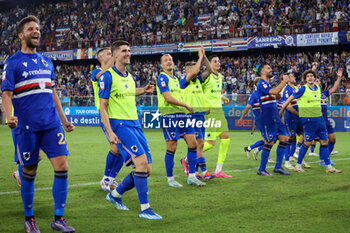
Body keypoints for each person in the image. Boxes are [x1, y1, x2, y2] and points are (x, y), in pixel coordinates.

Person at [1, 15, 75, 232]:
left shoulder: (46, 61)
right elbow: (6, 94)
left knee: (62, 167)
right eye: (31, 28)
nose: (37, 31)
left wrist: (64, 120)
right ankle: (29, 219)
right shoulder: (12, 62)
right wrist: (9, 115)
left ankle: (58, 219)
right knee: (29, 171)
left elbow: (53, 93)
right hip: (27, 127)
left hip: (52, 125)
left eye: (38, 28)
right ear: (21, 34)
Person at [99, 40, 162, 219]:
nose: (128, 53)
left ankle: (115, 194)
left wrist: (144, 90)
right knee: (141, 163)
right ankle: (145, 209)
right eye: (124, 51)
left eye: (129, 50)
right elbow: (103, 107)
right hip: (119, 124)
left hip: (135, 124)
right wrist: (110, 132)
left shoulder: (129, 76)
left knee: (147, 170)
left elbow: (128, 92)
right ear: (115, 55)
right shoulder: (107, 76)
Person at [156, 53, 205, 187]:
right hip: (170, 116)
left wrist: (200, 57)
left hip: (182, 116)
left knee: (193, 143)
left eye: (170, 59)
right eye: (165, 60)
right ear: (161, 65)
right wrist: (186, 105)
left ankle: (192, 176)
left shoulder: (177, 80)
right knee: (172, 146)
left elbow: (194, 73)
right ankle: (170, 179)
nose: (169, 62)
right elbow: (167, 98)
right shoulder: (162, 77)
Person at [280, 69, 341, 173]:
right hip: (308, 120)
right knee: (307, 142)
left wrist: (339, 77)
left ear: (315, 78)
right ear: (305, 79)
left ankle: (329, 167)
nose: (310, 77)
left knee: (324, 141)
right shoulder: (302, 89)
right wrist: (280, 112)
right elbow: (288, 100)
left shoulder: (318, 88)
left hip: (320, 119)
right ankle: (298, 165)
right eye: (308, 76)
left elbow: (332, 90)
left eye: (312, 76)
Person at [179, 47, 215, 181]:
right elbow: (195, 71)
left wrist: (204, 56)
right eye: (194, 68)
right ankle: (203, 171)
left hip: (200, 115)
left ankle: (190, 165)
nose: (197, 69)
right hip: (191, 116)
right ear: (188, 71)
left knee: (199, 144)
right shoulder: (183, 82)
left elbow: (210, 70)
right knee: (199, 143)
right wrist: (199, 58)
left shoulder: (199, 80)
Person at [91, 47, 123, 191]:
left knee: (125, 149)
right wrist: (116, 56)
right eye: (109, 54)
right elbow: (103, 76)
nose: (112, 56)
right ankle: (106, 178)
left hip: (120, 114)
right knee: (116, 146)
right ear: (101, 58)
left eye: (112, 53)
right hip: (107, 115)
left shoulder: (116, 74)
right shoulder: (97, 72)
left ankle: (111, 178)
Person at [255, 64, 291, 176]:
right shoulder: (261, 83)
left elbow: (273, 94)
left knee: (285, 138)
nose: (271, 70)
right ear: (262, 72)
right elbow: (274, 91)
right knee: (269, 142)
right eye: (268, 68)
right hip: (268, 118)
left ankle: (278, 167)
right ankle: (261, 169)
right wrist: (284, 82)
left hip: (276, 117)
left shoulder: (267, 84)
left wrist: (276, 96)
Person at [201, 55, 232, 178]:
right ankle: (188, 159)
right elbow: (201, 92)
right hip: (210, 112)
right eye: (215, 61)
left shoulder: (220, 77)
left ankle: (218, 170)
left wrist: (222, 97)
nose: (218, 63)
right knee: (210, 143)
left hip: (219, 110)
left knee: (225, 137)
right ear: (209, 64)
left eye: (219, 61)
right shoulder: (206, 77)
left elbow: (213, 92)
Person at [316, 69, 343, 166]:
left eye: (319, 82)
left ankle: (325, 158)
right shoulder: (309, 93)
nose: (319, 83)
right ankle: (295, 159)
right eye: (317, 81)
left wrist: (339, 77)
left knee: (332, 140)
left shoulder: (323, 93)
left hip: (325, 120)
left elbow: (334, 89)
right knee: (311, 141)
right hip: (316, 120)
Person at [280, 73, 307, 170]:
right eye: (292, 76)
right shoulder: (287, 89)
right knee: (289, 137)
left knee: (303, 135)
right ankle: (286, 161)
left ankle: (293, 154)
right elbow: (288, 106)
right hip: (291, 117)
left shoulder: (295, 89)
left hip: (297, 117)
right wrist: (298, 114)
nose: (294, 77)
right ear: (288, 79)